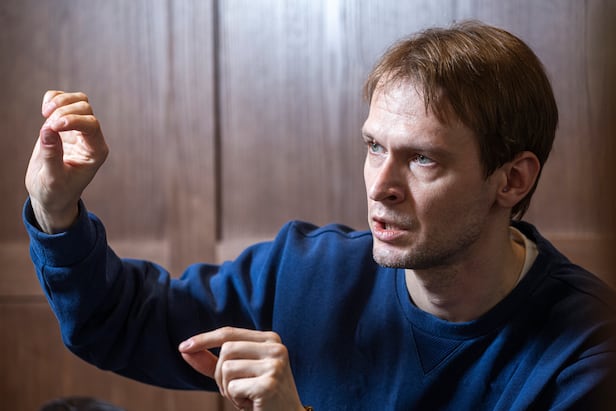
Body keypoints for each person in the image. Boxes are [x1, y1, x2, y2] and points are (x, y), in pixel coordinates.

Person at [23, 21, 616, 410]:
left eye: (423, 159)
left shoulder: (586, 353)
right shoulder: (307, 271)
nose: (380, 186)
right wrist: (56, 210)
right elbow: (118, 321)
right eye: (374, 147)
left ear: (512, 180)